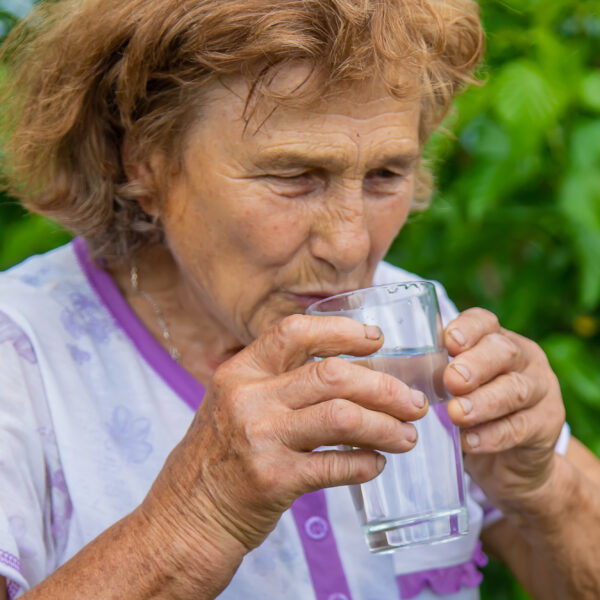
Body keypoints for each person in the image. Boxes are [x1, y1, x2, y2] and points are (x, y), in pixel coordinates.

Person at [0, 1, 599, 599]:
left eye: (386, 174)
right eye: (293, 177)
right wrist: (194, 521)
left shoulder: (418, 327)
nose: (350, 244)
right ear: (146, 161)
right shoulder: (21, 358)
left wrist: (547, 489)